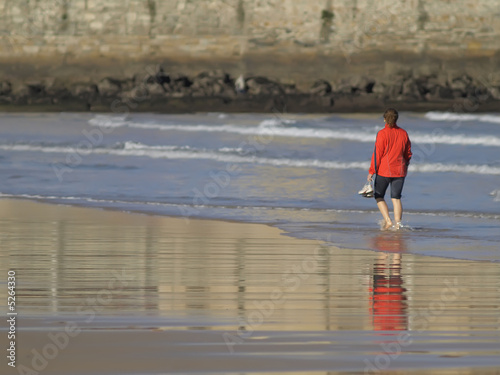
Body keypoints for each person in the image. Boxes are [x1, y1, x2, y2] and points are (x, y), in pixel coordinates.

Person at [367, 108, 412, 230]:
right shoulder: (404, 133)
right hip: (400, 171)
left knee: (379, 195)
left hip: (384, 171)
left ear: (384, 119)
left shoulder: (382, 134)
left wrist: (372, 171)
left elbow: (377, 154)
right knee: (396, 198)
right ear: (396, 119)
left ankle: (388, 221)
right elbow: (408, 153)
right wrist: (405, 165)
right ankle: (398, 225)